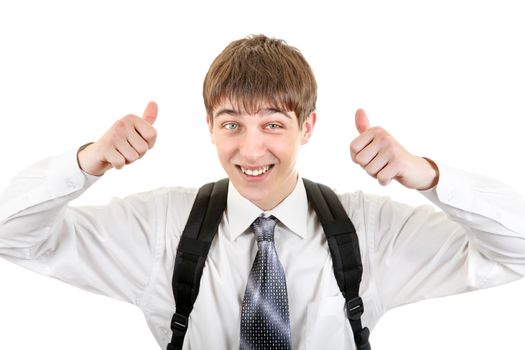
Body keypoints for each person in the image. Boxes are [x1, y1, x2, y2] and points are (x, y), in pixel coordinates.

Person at [1, 34, 524, 349]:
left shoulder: (367, 229)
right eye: (232, 124)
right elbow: (12, 235)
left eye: (273, 124)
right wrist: (84, 162)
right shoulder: (161, 227)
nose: (251, 151)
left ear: (309, 126)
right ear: (208, 125)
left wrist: (428, 176)